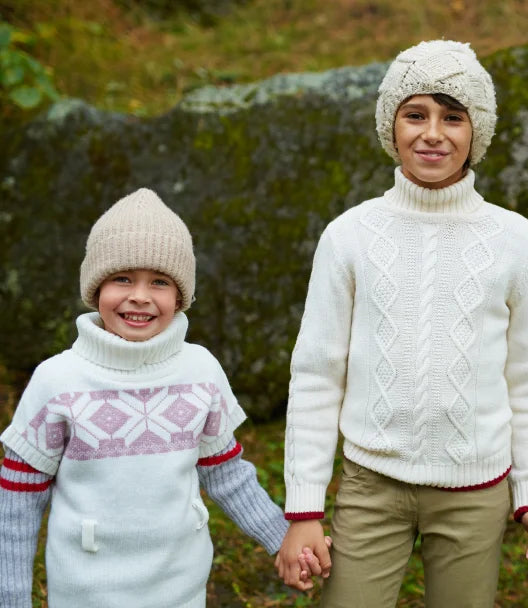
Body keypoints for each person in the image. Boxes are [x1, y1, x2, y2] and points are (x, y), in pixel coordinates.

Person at [276, 40, 528, 607]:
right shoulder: (350, 235)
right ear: (391, 126)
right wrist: (304, 507)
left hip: (475, 490)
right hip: (371, 483)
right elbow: (316, 372)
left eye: (453, 117)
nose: (433, 133)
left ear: (477, 131)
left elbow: (527, 373)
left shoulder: (514, 238)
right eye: (415, 115)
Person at [0, 188, 312, 607]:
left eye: (159, 282)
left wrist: (282, 540)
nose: (140, 296)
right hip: (87, 591)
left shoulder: (200, 371)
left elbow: (226, 474)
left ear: (180, 296)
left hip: (180, 585)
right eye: (122, 278)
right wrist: (12, 597)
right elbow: (18, 500)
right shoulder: (57, 381)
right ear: (95, 288)